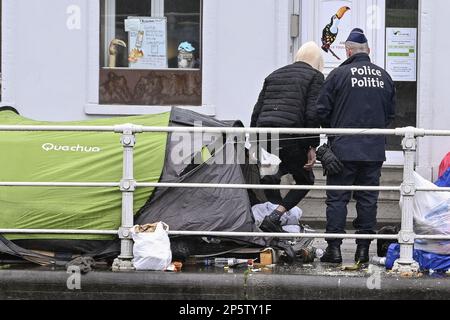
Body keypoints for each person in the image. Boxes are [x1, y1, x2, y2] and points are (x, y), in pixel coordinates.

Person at [316, 28, 396, 264]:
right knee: (368, 200)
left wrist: (335, 131)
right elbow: (390, 114)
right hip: (373, 151)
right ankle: (363, 251)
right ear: (368, 51)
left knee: (338, 199)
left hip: (342, 150)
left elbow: (321, 110)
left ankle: (334, 250)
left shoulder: (339, 74)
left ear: (348, 51)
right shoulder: (384, 77)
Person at [250, 41, 325, 233]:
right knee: (305, 180)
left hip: (266, 135)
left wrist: (254, 142)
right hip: (291, 136)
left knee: (271, 176)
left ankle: (273, 218)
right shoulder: (315, 76)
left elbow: (257, 111)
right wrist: (312, 146)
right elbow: (311, 114)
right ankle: (276, 216)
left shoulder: (274, 75)